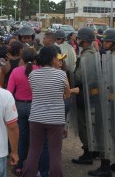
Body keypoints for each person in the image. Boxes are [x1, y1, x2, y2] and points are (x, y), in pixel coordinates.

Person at [22, 46, 70, 177]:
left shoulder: (32, 74)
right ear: (53, 59)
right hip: (56, 119)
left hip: (36, 117)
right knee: (55, 153)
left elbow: (35, 92)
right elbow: (67, 93)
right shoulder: (61, 74)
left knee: (34, 151)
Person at [88, 28, 115, 176]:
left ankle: (105, 167)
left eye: (108, 41)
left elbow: (110, 82)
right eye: (104, 40)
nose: (104, 43)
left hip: (108, 101)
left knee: (104, 133)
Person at [7, 48, 39, 175]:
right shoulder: (39, 71)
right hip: (35, 106)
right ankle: (33, 166)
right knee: (35, 138)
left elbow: (9, 92)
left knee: (21, 137)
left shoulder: (15, 71)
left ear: (22, 58)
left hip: (19, 106)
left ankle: (19, 165)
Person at [72, 27, 97, 165]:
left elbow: (79, 77)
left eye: (79, 38)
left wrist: (70, 73)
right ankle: (92, 150)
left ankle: (88, 153)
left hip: (84, 94)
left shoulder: (86, 56)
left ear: (85, 41)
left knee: (83, 125)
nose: (78, 40)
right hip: (92, 94)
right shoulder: (94, 53)